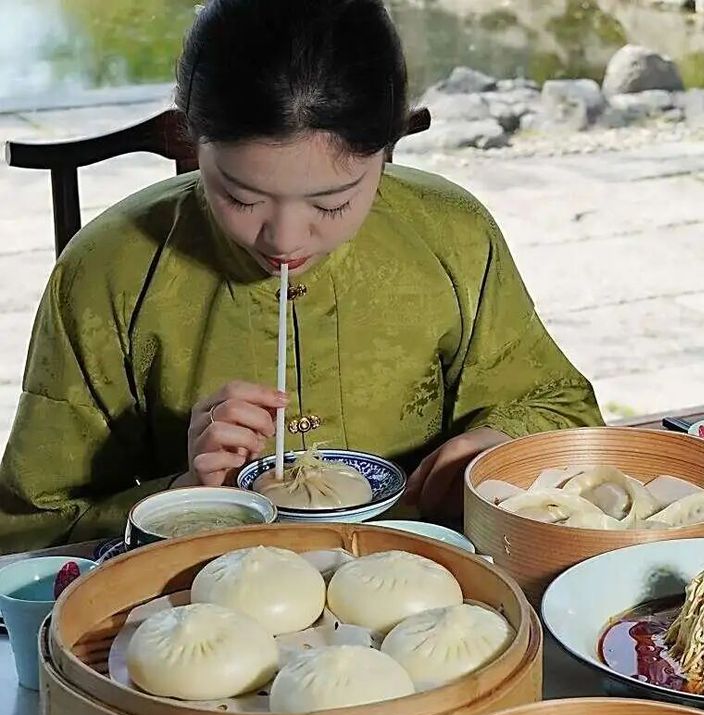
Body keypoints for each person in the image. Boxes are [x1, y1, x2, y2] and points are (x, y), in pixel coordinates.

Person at [0, 0, 602, 553]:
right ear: (191, 136)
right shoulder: (108, 271)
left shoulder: (451, 234)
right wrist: (187, 495)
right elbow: (31, 532)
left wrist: (497, 446)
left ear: (387, 147)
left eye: (332, 203)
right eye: (241, 196)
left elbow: (562, 410)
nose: (285, 240)